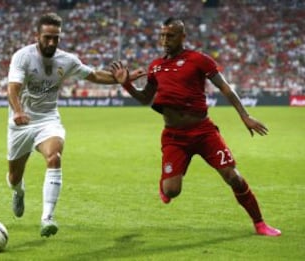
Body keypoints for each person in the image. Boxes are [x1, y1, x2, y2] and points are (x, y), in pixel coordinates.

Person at [111, 17, 281, 236]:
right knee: (171, 191)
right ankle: (166, 180)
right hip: (174, 136)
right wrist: (126, 83)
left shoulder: (199, 60)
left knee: (233, 177)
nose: (165, 40)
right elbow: (145, 98)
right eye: (162, 35)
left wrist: (245, 116)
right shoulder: (155, 66)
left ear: (183, 37)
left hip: (203, 132)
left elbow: (225, 88)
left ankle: (259, 223)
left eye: (170, 35)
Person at [6, 12, 144, 237]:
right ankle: (18, 192)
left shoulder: (67, 60)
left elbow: (94, 76)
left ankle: (47, 217)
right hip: (21, 123)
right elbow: (13, 88)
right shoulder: (22, 57)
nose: (52, 42)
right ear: (37, 36)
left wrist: (123, 79)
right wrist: (18, 112)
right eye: (47, 37)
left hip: (48, 120)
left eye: (56, 38)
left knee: (55, 157)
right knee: (13, 177)